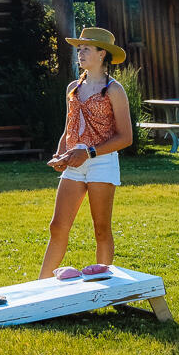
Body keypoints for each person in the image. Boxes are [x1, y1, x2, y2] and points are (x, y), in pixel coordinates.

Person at [41, 26, 134, 278]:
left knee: (101, 229)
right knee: (57, 226)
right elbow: (68, 129)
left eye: (86, 49)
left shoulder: (114, 90)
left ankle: (103, 286)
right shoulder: (73, 88)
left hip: (101, 163)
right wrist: (60, 154)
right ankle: (41, 287)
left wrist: (90, 153)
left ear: (102, 54)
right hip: (74, 162)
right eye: (79, 49)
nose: (80, 54)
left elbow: (126, 138)